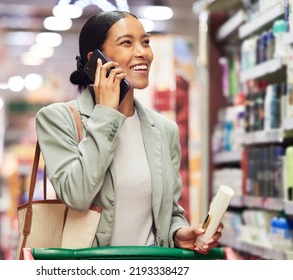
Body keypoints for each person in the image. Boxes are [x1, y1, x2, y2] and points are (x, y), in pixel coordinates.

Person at [35, 10, 223, 253]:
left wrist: (178, 233)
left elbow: (170, 211)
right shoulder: (58, 119)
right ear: (96, 59)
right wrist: (105, 112)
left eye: (145, 42)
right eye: (126, 43)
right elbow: (77, 195)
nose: (142, 52)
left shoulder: (165, 130)